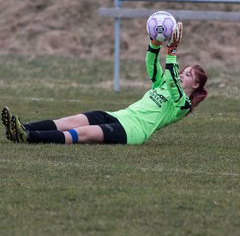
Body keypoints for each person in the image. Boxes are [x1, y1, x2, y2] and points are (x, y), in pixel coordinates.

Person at [1, 22, 208, 145]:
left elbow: (173, 82)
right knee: (73, 120)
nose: (183, 74)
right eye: (184, 71)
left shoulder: (182, 105)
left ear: (196, 85)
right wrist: (154, 44)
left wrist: (172, 52)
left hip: (133, 131)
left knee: (82, 134)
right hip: (120, 115)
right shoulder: (162, 84)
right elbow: (152, 65)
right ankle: (20, 127)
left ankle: (28, 137)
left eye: (188, 74)